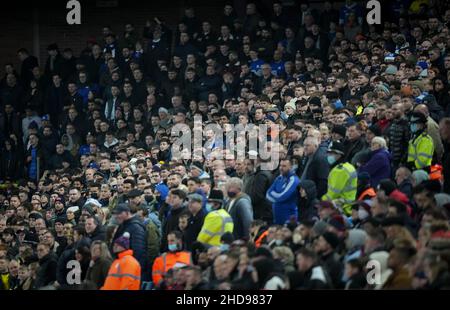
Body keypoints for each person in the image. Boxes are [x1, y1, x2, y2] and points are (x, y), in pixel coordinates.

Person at [111, 203, 148, 281]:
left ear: (127, 213)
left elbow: (139, 251)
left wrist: (132, 270)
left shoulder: (136, 227)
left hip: (130, 270)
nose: (116, 216)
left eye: (119, 213)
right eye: (115, 214)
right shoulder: (123, 225)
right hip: (121, 267)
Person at [322, 141, 357, 216]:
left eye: (332, 153)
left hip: (342, 208)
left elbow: (333, 194)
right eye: (328, 153)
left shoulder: (339, 170)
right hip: (347, 205)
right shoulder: (348, 166)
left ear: (339, 155)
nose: (328, 155)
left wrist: (321, 201)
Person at [266, 158, 300, 225]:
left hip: (289, 219)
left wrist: (274, 195)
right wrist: (278, 197)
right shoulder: (279, 177)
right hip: (277, 218)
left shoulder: (294, 180)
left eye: (284, 166)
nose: (281, 168)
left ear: (290, 167)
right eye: (280, 165)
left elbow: (282, 196)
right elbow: (268, 193)